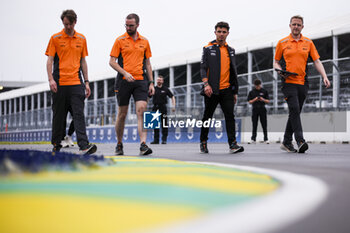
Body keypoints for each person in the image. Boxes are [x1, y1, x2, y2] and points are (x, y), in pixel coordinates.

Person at [274, 15, 331, 153]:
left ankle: (286, 141)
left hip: (303, 82)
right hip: (288, 82)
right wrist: (280, 71)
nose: (296, 27)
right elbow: (275, 61)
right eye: (293, 24)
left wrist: (324, 76)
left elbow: (317, 61)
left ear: (302, 27)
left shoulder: (308, 42)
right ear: (290, 25)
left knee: (295, 111)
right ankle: (300, 140)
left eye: (298, 25)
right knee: (294, 109)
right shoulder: (282, 42)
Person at [45, 9, 97, 154]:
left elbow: (83, 61)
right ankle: (57, 144)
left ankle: (84, 145)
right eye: (65, 24)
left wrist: (86, 82)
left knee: (78, 114)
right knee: (59, 115)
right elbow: (49, 60)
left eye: (69, 24)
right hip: (59, 83)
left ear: (75, 22)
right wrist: (50, 79)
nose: (67, 27)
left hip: (76, 83)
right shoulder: (55, 38)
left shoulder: (81, 38)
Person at [109, 13, 155, 156]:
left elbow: (147, 63)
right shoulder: (119, 40)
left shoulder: (145, 42)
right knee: (122, 114)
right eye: (126, 25)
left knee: (141, 109)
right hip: (123, 81)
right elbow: (112, 61)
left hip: (141, 81)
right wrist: (125, 73)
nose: (128, 28)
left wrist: (151, 82)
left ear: (137, 25)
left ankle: (143, 144)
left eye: (131, 25)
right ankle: (119, 143)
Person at [199, 21, 244, 154]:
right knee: (207, 117)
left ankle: (233, 144)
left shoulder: (231, 51)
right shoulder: (208, 48)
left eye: (224, 32)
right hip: (211, 90)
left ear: (228, 33)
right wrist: (206, 84)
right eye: (219, 31)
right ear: (215, 32)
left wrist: (235, 91)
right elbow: (202, 68)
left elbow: (233, 72)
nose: (221, 34)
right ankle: (203, 142)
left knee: (230, 116)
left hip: (227, 90)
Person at [150, 75, 176, 144]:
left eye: (160, 80)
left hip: (163, 107)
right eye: (158, 80)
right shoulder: (153, 89)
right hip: (155, 107)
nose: (159, 81)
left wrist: (173, 106)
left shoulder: (165, 89)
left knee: (164, 124)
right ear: (156, 81)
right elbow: (148, 96)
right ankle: (156, 140)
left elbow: (172, 96)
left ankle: (164, 139)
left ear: (162, 81)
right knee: (155, 124)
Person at [247, 79, 270, 144]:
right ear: (254, 85)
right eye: (256, 86)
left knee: (264, 124)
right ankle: (253, 139)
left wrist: (262, 99)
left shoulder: (264, 91)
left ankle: (266, 139)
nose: (257, 87)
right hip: (255, 109)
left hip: (262, 109)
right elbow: (249, 101)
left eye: (258, 86)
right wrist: (255, 99)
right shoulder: (252, 92)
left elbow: (268, 101)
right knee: (254, 124)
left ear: (260, 85)